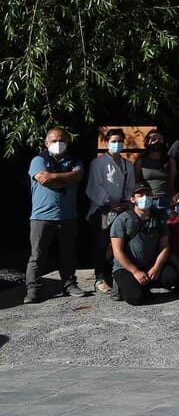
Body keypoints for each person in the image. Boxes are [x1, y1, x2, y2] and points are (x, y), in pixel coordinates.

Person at [25, 126, 86, 303]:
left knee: (68, 253)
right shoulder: (38, 160)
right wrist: (68, 178)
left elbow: (78, 176)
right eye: (54, 140)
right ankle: (33, 289)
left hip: (67, 216)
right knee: (37, 255)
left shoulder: (74, 160)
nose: (58, 144)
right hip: (41, 217)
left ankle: (69, 284)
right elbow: (44, 179)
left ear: (67, 142)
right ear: (46, 143)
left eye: (62, 140)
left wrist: (54, 177)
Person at [110, 183, 179, 305]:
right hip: (126, 267)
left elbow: (164, 246)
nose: (145, 197)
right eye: (141, 195)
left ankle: (144, 286)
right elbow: (117, 251)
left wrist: (157, 267)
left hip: (150, 265)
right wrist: (135, 271)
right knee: (135, 299)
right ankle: (121, 285)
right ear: (133, 199)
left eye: (148, 194)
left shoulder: (159, 218)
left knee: (171, 277)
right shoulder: (122, 220)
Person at [86, 127, 136, 294]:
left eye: (120, 141)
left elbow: (130, 188)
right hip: (103, 210)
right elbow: (95, 187)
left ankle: (117, 275)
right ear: (106, 143)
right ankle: (100, 277)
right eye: (113, 141)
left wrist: (127, 202)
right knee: (101, 243)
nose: (117, 144)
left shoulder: (127, 165)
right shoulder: (98, 163)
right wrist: (110, 203)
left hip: (122, 209)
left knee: (120, 243)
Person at [136, 129, 171, 211]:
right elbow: (137, 181)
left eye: (159, 139)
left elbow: (172, 181)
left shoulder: (169, 160)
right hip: (147, 199)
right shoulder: (141, 160)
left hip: (166, 199)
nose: (157, 142)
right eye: (153, 139)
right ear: (148, 142)